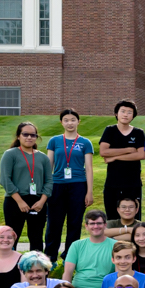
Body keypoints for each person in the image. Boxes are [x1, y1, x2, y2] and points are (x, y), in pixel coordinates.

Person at [43, 111, 95, 260]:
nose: (70, 123)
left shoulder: (85, 142)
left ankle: (70, 256)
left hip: (78, 185)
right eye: (66, 120)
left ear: (79, 121)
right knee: (54, 223)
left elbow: (89, 168)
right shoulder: (54, 141)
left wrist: (89, 192)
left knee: (74, 223)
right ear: (61, 123)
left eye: (73, 120)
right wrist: (46, 189)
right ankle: (50, 257)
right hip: (57, 185)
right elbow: (49, 167)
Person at [1, 121, 53, 255]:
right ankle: (9, 267)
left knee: (36, 237)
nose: (29, 137)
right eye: (25, 134)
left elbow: (49, 181)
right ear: (18, 136)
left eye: (33, 135)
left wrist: (42, 201)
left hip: (37, 202)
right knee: (12, 235)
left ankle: (36, 268)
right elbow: (5, 179)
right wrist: (19, 201)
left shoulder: (42, 157)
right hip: (15, 201)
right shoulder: (10, 154)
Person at [99, 100, 145, 221]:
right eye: (123, 111)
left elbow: (141, 155)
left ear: (133, 115)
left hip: (132, 183)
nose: (125, 114)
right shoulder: (110, 130)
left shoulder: (138, 132)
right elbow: (104, 152)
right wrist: (128, 149)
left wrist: (115, 157)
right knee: (112, 217)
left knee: (134, 218)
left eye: (129, 112)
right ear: (116, 113)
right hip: (112, 182)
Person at [63, 210, 115, 288]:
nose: (96, 226)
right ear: (86, 226)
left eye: (99, 223)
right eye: (92, 223)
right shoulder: (76, 245)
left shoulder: (115, 245)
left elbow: (119, 274)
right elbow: (68, 272)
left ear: (105, 225)